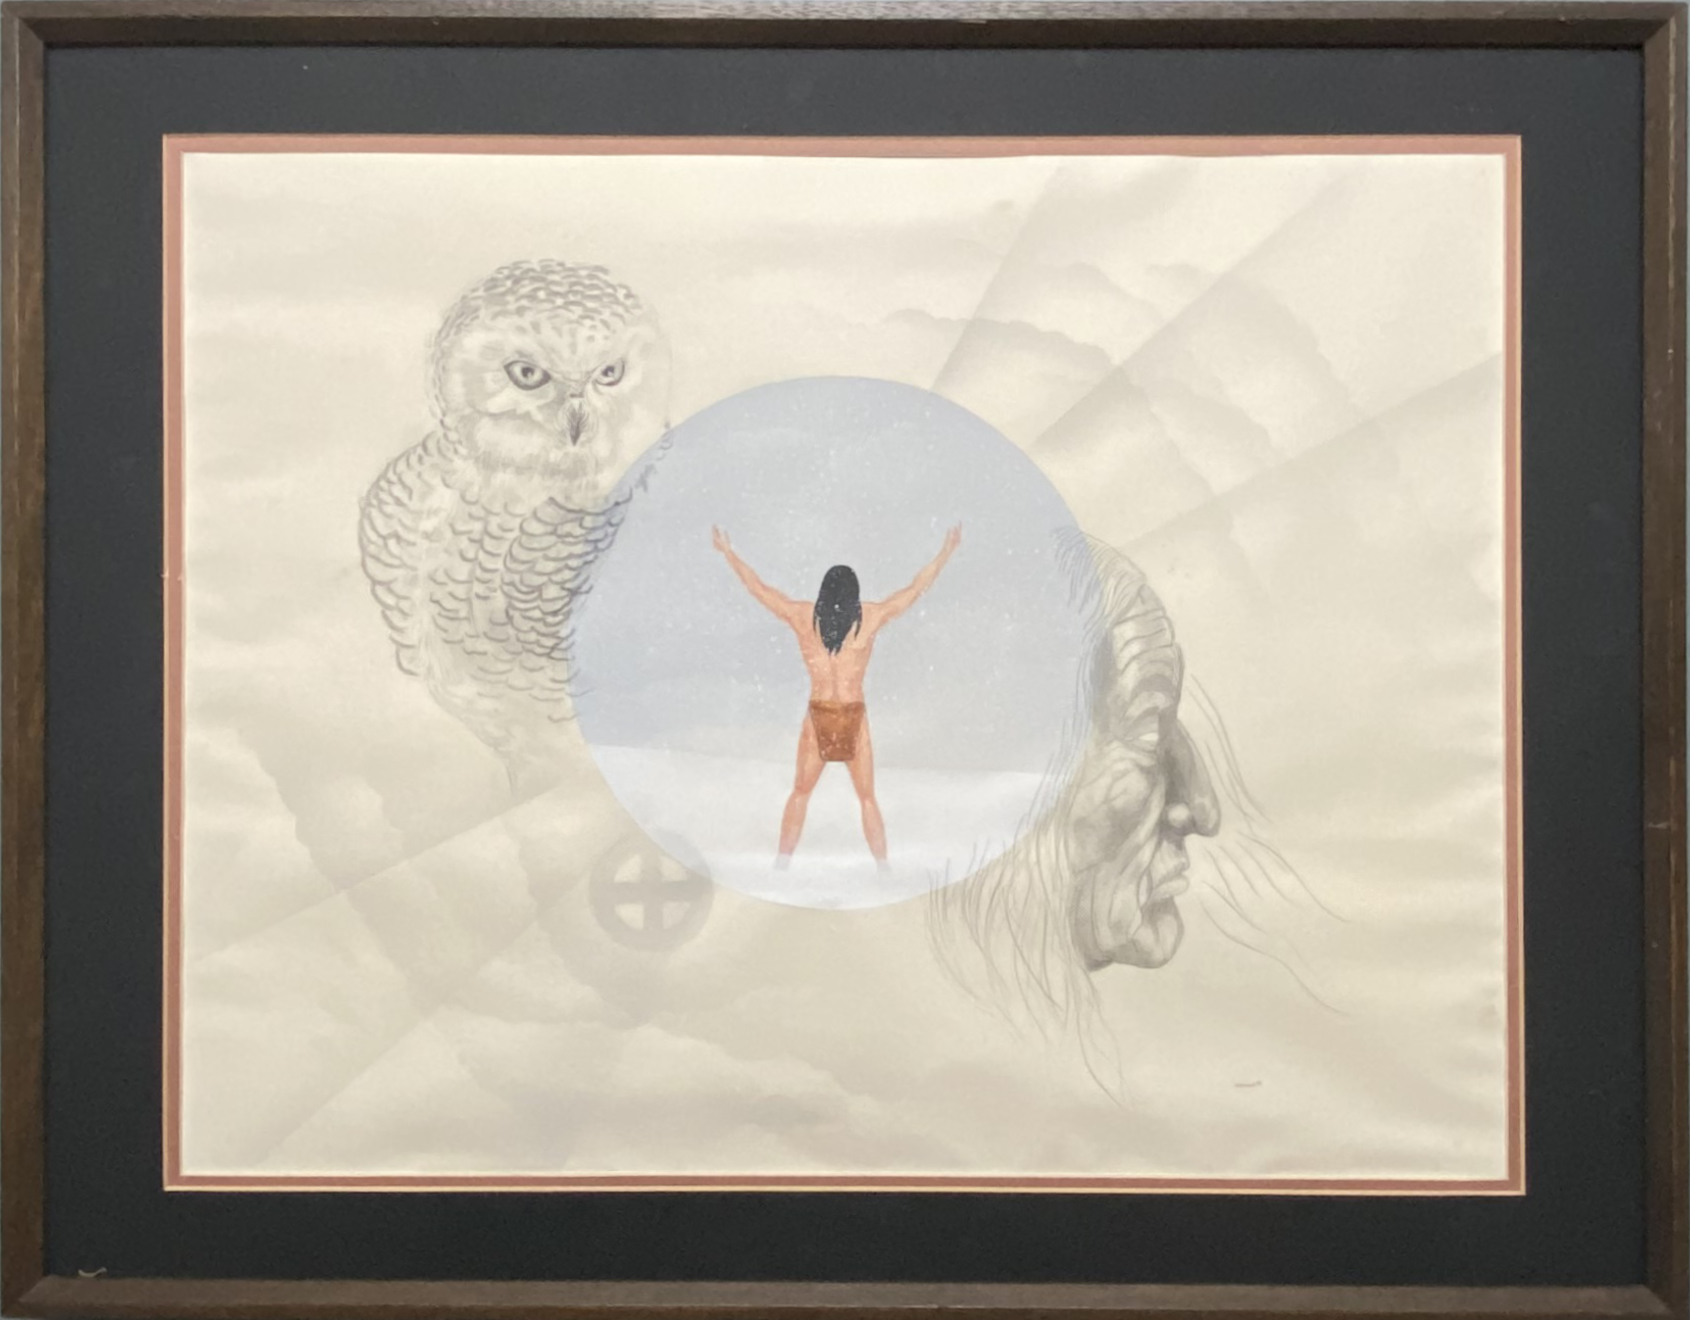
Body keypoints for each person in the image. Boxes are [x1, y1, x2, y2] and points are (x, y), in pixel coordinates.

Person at [712, 524, 961, 870]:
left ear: (824, 592)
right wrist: (945, 553)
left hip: (819, 714)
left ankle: (781, 865)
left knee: (801, 793)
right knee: (867, 798)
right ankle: (884, 869)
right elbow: (915, 590)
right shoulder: (870, 617)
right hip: (853, 715)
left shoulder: (802, 617)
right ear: (854, 594)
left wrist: (728, 553)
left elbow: (760, 590)